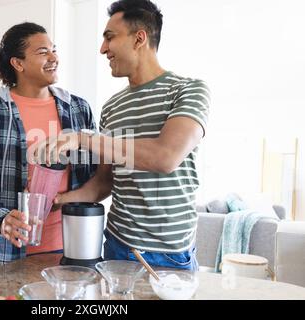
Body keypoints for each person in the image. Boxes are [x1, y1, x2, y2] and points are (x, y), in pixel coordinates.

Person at [37, 0, 210, 271]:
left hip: (169, 256)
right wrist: (54, 201)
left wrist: (83, 138)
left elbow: (165, 158)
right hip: (116, 246)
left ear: (139, 38)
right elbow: (103, 183)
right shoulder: (112, 107)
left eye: (109, 37)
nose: (103, 49)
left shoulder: (188, 90)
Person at [0, 22, 97, 270]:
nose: (54, 57)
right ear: (18, 63)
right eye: (43, 52)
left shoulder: (78, 108)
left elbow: (96, 175)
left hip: (71, 247)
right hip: (10, 250)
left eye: (54, 50)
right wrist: (1, 217)